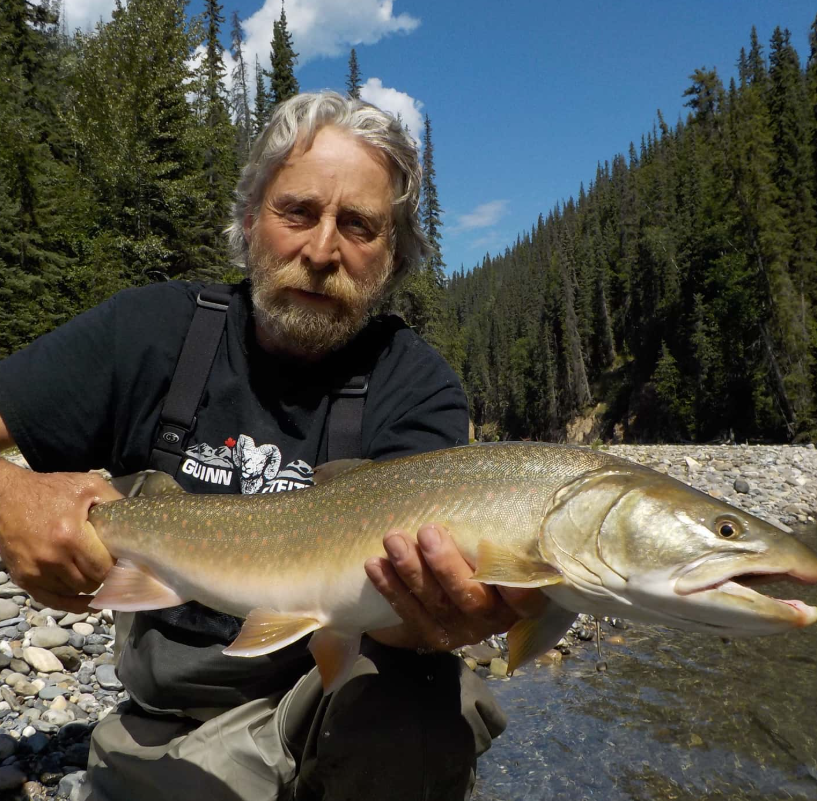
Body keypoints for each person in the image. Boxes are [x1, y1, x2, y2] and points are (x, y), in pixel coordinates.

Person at [0, 92, 544, 800]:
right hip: (172, 729)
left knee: (424, 707)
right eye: (298, 212)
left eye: (358, 225)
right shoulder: (148, 332)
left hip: (341, 707)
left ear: (394, 254)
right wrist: (10, 498)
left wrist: (443, 618)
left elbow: (416, 628)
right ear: (251, 218)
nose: (321, 251)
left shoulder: (417, 387)